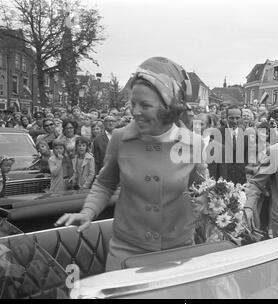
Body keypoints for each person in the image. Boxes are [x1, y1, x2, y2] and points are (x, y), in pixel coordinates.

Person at [56, 56, 208, 271]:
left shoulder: (193, 144)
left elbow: (201, 190)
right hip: (126, 251)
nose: (134, 111)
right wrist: (88, 211)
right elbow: (105, 183)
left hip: (178, 251)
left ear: (169, 108)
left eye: (145, 105)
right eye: (133, 103)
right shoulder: (120, 138)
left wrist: (207, 204)